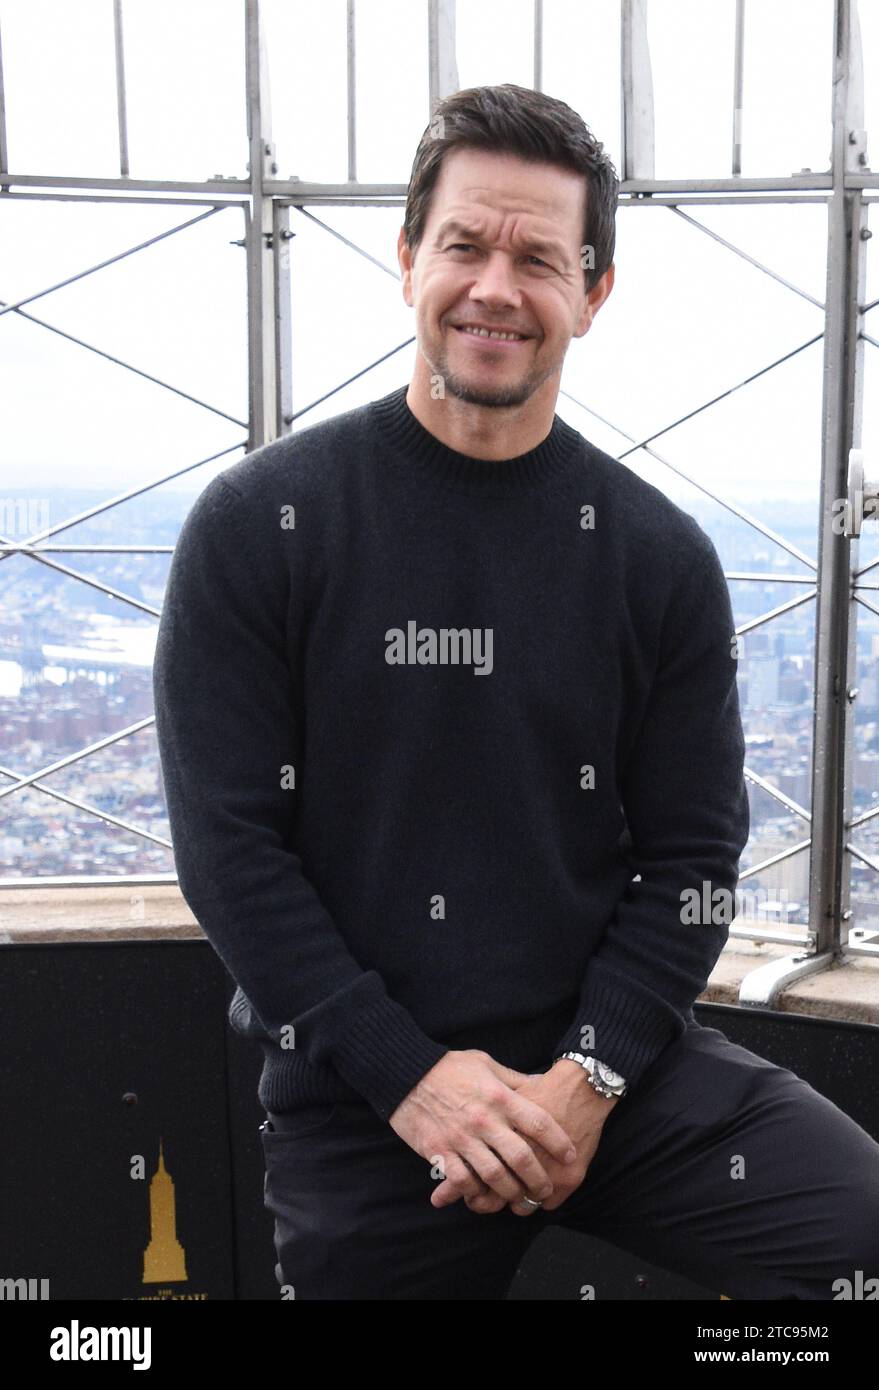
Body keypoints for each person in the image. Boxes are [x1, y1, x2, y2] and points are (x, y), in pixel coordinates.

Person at [153, 83, 879, 1300]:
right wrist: (411, 1078)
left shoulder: (654, 558)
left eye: (540, 256)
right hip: (360, 1097)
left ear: (592, 294)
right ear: (406, 260)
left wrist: (587, 1079)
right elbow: (229, 851)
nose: (497, 284)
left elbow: (696, 850)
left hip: (607, 1077)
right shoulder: (261, 526)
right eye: (465, 245)